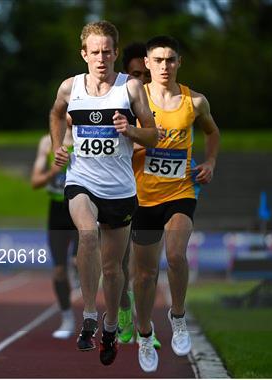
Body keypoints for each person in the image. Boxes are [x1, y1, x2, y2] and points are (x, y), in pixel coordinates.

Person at [49, 20, 158, 366]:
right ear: (84, 54)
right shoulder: (70, 88)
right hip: (82, 180)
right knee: (86, 234)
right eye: (94, 52)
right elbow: (55, 114)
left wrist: (131, 131)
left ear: (114, 53)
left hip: (121, 190)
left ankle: (110, 326)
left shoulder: (131, 89)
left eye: (107, 52)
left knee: (112, 270)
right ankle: (91, 317)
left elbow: (153, 136)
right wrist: (57, 147)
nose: (101, 58)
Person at [131, 35, 220, 372]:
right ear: (148, 64)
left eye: (170, 60)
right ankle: (143, 333)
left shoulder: (194, 102)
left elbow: (213, 133)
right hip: (143, 196)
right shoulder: (134, 100)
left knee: (176, 255)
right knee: (143, 275)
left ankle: (178, 317)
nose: (165, 66)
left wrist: (210, 163)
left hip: (181, 190)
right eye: (158, 60)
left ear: (178, 62)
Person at [115, 41, 159, 348]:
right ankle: (123, 313)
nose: (141, 80)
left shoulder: (166, 104)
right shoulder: (115, 101)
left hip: (153, 194)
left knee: (147, 270)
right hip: (118, 191)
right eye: (135, 74)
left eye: (146, 74)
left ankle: (146, 326)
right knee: (118, 264)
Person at [31, 126, 78, 340]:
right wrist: (53, 171)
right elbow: (35, 182)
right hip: (57, 211)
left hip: (81, 206)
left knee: (79, 262)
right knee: (59, 271)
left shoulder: (85, 136)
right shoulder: (46, 142)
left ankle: (92, 317)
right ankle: (67, 318)